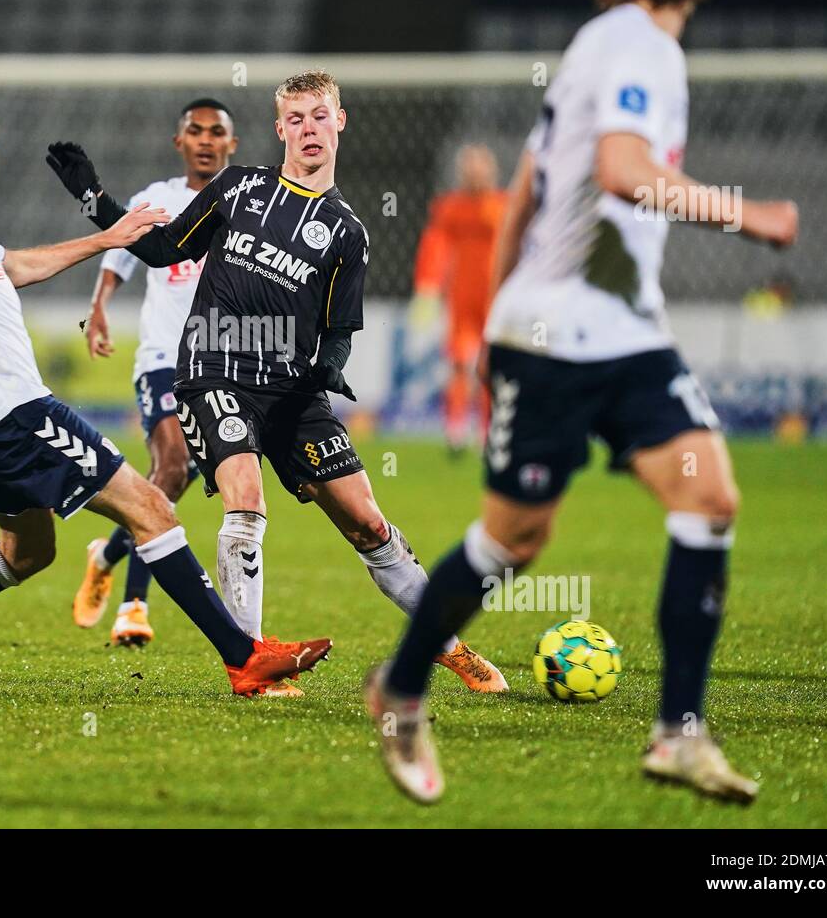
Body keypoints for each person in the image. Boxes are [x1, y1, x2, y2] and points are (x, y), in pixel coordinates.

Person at [364, 0, 798, 803]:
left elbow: (528, 185)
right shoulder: (642, 46)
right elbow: (621, 169)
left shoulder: (594, 47)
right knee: (513, 539)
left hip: (614, 332)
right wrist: (745, 214)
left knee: (708, 494)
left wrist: (493, 316)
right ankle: (401, 690)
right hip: (563, 336)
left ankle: (679, 729)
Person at [0, 95, 331, 698]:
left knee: (27, 553)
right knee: (153, 509)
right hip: (16, 409)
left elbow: (17, 265)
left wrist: (109, 238)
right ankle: (243, 658)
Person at [46, 71, 506, 698]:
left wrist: (331, 366)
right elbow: (160, 248)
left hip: (291, 390)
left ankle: (447, 649)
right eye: (296, 118)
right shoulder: (239, 189)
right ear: (279, 128)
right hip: (214, 370)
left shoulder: (347, 231)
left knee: (367, 522)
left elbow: (341, 326)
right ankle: (253, 664)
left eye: (319, 116)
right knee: (245, 493)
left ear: (339, 121)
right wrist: (93, 197)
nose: (308, 129)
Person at [71, 98, 237, 647]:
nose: (207, 140)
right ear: (179, 143)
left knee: (186, 475)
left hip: (222, 365)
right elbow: (119, 253)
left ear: (231, 145)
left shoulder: (245, 204)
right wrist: (98, 309)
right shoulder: (156, 200)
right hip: (164, 360)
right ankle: (134, 607)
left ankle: (110, 551)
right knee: (173, 462)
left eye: (217, 132)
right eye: (196, 131)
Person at [411, 143, 506, 450]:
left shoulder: (504, 206)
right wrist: (428, 287)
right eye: (469, 169)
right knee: (460, 362)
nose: (474, 175)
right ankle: (455, 427)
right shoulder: (450, 208)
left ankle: (487, 428)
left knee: (491, 364)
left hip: (497, 298)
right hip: (462, 298)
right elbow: (434, 248)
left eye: (479, 168)